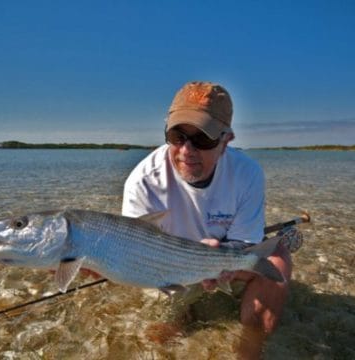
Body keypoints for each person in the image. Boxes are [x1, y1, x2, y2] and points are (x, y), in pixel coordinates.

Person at [121, 81, 291, 335]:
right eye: (177, 137)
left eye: (203, 138)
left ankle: (250, 350)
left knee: (278, 258)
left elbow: (245, 242)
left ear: (226, 141)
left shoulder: (247, 173)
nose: (187, 150)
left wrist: (221, 253)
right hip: (164, 266)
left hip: (221, 256)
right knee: (163, 334)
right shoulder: (143, 181)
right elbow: (133, 253)